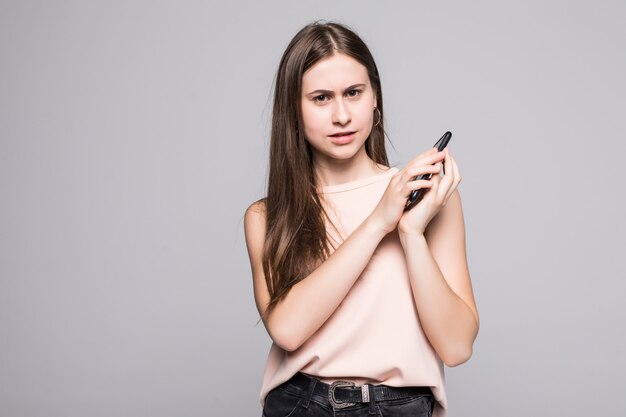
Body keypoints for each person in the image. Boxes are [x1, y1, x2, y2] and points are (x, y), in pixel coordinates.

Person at [244, 20, 479, 417]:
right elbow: (287, 330)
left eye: (353, 93)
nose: (341, 115)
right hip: (304, 404)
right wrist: (377, 223)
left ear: (375, 97)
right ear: (294, 109)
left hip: (402, 406)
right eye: (321, 98)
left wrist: (410, 233)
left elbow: (456, 347)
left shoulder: (426, 199)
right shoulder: (267, 216)